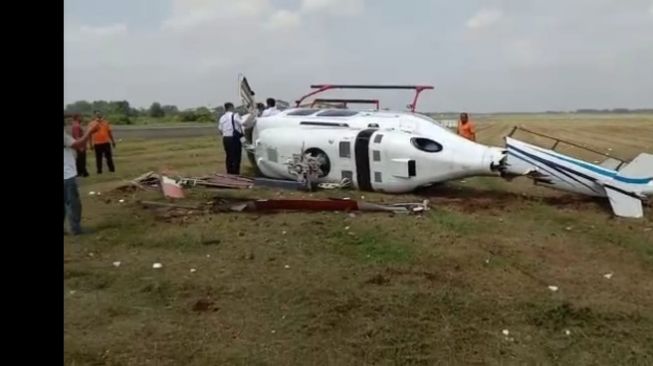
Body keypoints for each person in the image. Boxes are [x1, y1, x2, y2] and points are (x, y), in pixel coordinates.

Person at [65, 120, 99, 235]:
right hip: (66, 175)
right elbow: (77, 144)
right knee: (73, 203)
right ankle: (76, 229)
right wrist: (89, 131)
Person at [218, 102, 244, 174]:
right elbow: (242, 123)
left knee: (229, 156)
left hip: (226, 138)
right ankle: (236, 172)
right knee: (236, 156)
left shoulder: (222, 118)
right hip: (234, 138)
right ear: (231, 108)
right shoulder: (235, 116)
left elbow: (220, 129)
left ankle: (229, 172)